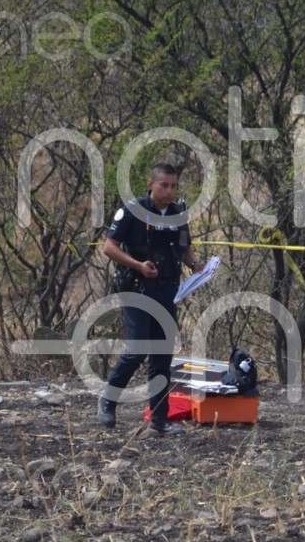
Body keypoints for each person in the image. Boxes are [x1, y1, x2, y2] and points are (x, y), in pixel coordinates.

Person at [97, 163, 204, 439]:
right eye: (164, 185)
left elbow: (184, 248)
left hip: (167, 291)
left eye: (173, 186)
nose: (169, 191)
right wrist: (137, 265)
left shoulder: (179, 213)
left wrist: (195, 264)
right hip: (137, 288)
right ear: (150, 184)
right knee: (138, 348)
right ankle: (108, 400)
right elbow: (110, 247)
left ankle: (159, 420)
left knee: (161, 356)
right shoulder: (133, 211)